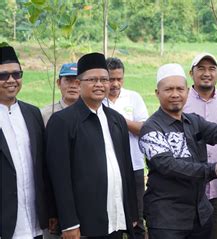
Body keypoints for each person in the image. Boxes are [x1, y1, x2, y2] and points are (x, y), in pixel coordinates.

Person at [139, 63, 217, 239]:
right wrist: (212, 170)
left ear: (187, 92)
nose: (175, 94)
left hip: (199, 214)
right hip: (167, 218)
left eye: (179, 89)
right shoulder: (151, 128)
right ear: (157, 93)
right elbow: (168, 165)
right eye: (168, 89)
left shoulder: (193, 121)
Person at [45, 52, 138, 239]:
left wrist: (132, 213)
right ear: (79, 84)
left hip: (117, 217)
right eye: (92, 79)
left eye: (104, 79)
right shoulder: (62, 121)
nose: (99, 84)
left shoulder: (116, 120)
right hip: (84, 223)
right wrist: (69, 222)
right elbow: (59, 177)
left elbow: (126, 168)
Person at [0, 45, 55, 239]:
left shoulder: (32, 113)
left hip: (33, 220)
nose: (11, 80)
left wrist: (50, 209)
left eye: (16, 74)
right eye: (3, 76)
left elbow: (43, 166)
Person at [183, 53, 217, 239]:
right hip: (189, 184)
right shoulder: (182, 101)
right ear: (191, 73)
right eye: (201, 68)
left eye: (211, 69)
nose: (207, 73)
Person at [104, 57, 148, 239]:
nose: (115, 84)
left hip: (134, 167)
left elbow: (144, 129)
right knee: (111, 215)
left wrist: (120, 121)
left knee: (136, 217)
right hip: (107, 167)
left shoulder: (133, 97)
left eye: (119, 79)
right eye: (111, 79)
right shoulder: (98, 99)